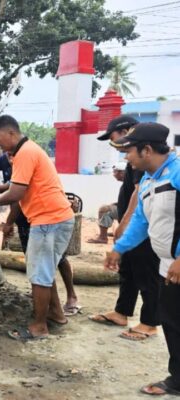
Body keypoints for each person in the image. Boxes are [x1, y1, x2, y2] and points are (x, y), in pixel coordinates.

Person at [0, 115, 74, 341]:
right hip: (57, 217)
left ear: (11, 133)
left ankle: (39, 327)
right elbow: (16, 189)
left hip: (48, 219)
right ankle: (56, 315)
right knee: (46, 269)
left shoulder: (25, 153)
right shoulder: (27, 151)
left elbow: (15, 193)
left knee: (39, 274)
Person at [103, 122, 180, 395]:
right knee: (172, 322)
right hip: (166, 265)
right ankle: (177, 379)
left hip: (178, 264)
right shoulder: (149, 179)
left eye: (129, 151)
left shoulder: (177, 173)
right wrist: (119, 248)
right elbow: (140, 221)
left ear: (146, 150)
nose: (126, 157)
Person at [0, 152, 82, 316]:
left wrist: (7, 220)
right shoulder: (6, 159)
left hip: (42, 218)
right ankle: (48, 301)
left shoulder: (27, 159)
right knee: (36, 261)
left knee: (54, 261)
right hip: (26, 219)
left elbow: (14, 194)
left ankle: (69, 298)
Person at [90, 115, 161, 343]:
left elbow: (138, 193)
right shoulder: (135, 158)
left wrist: (124, 222)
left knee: (146, 272)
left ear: (125, 131)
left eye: (116, 140)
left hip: (143, 227)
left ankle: (150, 323)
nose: (123, 153)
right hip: (133, 225)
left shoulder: (144, 157)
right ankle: (122, 312)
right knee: (128, 270)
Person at [87, 162, 127, 244]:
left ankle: (103, 238)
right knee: (109, 207)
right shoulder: (128, 182)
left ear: (122, 173)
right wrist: (116, 204)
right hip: (128, 209)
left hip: (131, 211)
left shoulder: (130, 183)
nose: (113, 174)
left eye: (115, 172)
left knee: (104, 209)